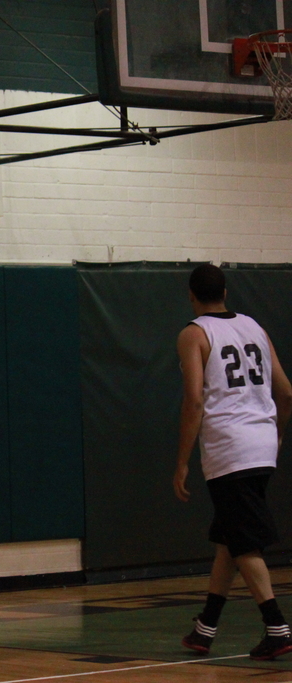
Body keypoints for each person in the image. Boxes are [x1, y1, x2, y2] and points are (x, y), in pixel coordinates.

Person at [174, 263, 292, 660]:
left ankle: (277, 627)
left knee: (243, 542)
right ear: (225, 293)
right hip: (262, 444)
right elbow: (286, 393)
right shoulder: (255, 327)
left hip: (230, 447)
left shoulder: (194, 334)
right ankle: (205, 628)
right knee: (229, 536)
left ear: (191, 295)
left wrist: (182, 461)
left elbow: (194, 401)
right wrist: (275, 433)